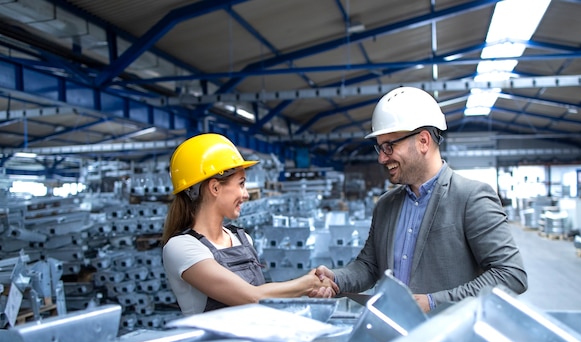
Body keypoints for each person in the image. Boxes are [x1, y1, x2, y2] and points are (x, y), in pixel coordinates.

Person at [314, 87, 527, 312]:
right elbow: (369, 266)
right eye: (380, 147)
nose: (381, 158)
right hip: (393, 332)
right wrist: (336, 279)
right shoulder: (386, 205)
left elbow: (510, 274)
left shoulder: (471, 198)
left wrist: (435, 302)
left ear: (423, 141)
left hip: (448, 337)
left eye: (389, 146)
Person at [162, 133, 338, 315]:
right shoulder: (181, 247)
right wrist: (305, 284)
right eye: (241, 184)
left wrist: (307, 291)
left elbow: (263, 299)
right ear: (215, 188)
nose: (246, 194)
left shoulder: (241, 238)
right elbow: (251, 297)